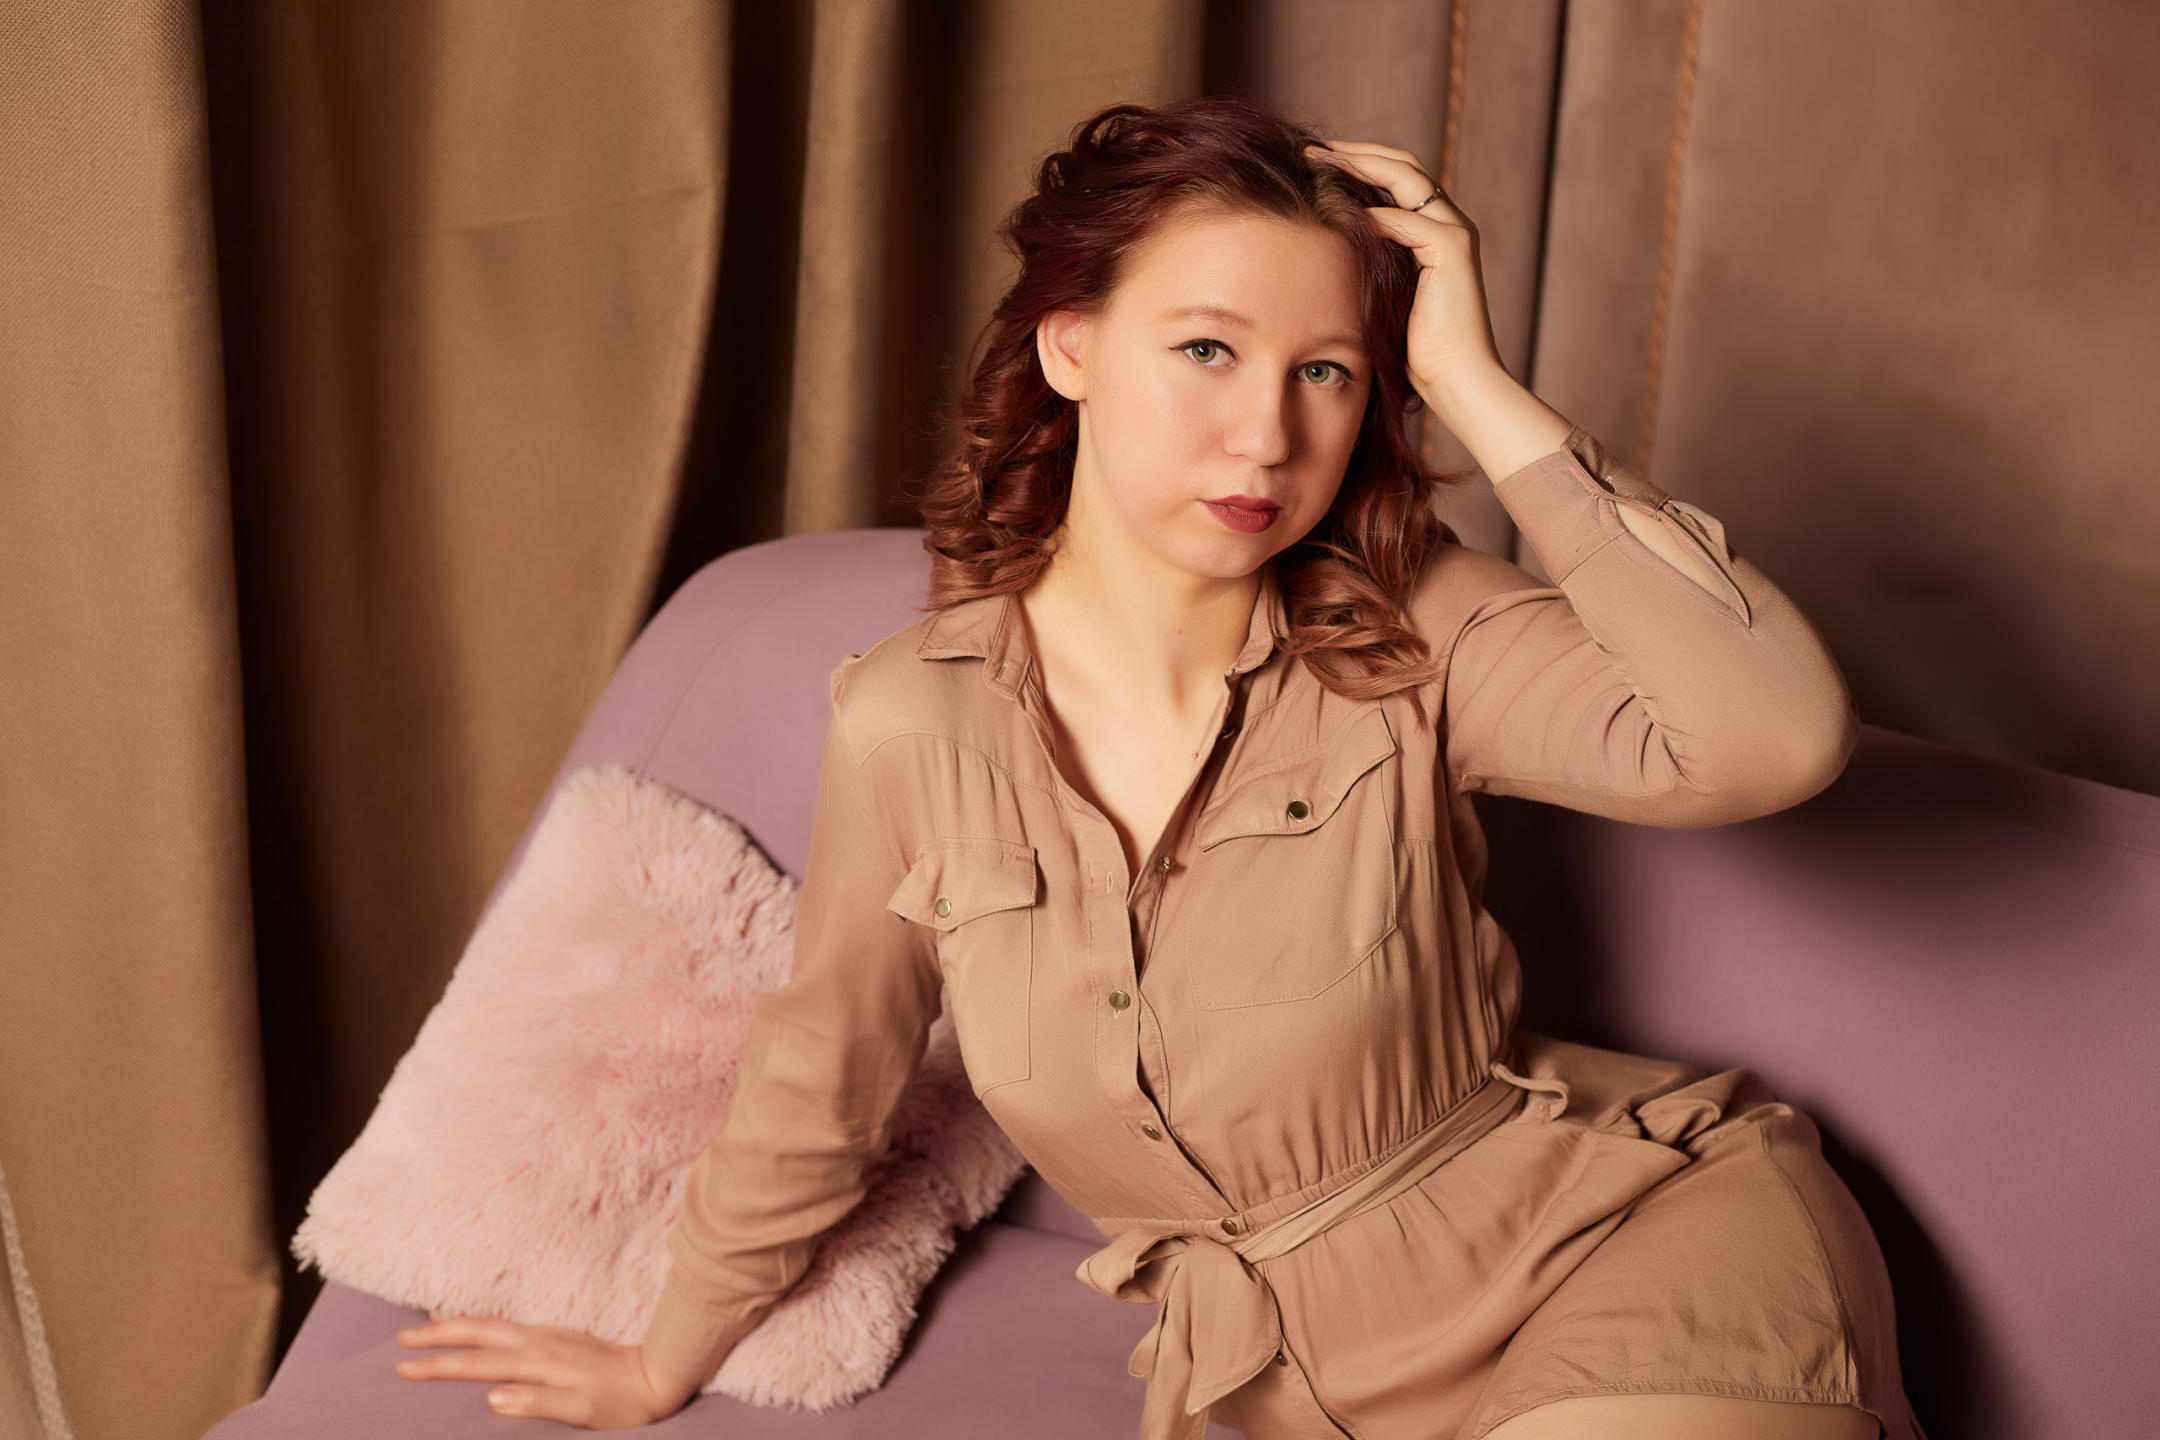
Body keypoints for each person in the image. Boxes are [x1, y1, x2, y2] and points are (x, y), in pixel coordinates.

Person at [393, 94, 1928, 1439]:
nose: (1264, 434)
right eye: (1206, 349)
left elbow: (1771, 737)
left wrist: (1474, 382)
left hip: (1624, 1250)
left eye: (1329, 372)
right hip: (1296, 1382)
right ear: (1071, 346)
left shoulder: (1414, 630)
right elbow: (826, 1079)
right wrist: (662, 1357)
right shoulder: (912, 725)